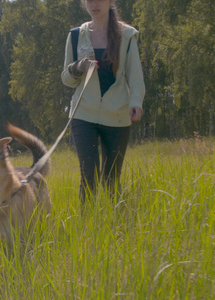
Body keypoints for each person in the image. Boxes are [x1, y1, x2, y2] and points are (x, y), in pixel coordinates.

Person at [61, 0, 146, 203]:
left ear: (110, 2)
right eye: (90, 0)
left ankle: (113, 228)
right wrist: (78, 67)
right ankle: (87, 230)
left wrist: (136, 102)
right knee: (89, 176)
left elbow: (135, 76)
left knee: (111, 179)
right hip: (83, 114)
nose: (95, 4)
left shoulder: (127, 35)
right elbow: (66, 78)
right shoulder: (75, 35)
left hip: (117, 116)